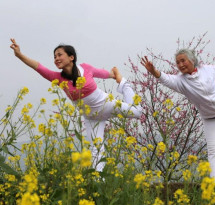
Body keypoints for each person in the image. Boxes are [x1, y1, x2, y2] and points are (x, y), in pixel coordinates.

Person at [10, 38, 142, 171]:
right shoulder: (58, 78)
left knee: (137, 112)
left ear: (71, 57)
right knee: (96, 152)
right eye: (54, 57)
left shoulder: (86, 68)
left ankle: (125, 86)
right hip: (92, 118)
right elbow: (38, 67)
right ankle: (98, 184)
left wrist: (115, 75)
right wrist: (19, 54)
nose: (56, 58)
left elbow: (106, 74)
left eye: (60, 55)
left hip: (106, 105)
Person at [141, 49, 215, 183]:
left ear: (192, 60)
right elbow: (164, 78)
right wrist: (153, 71)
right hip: (211, 118)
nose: (180, 65)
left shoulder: (207, 69)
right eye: (178, 62)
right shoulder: (180, 82)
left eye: (183, 60)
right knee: (213, 151)